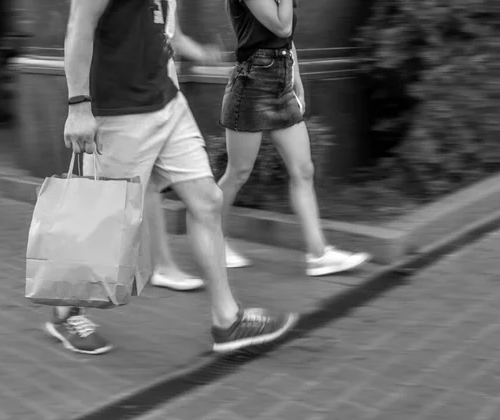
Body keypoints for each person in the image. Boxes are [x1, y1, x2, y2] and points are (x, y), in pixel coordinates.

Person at [44, 0, 298, 355]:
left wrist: (197, 50)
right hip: (120, 115)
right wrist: (78, 106)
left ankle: (228, 320)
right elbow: (79, 27)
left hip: (168, 103)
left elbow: (166, 29)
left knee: (207, 201)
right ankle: (65, 312)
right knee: (104, 224)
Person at [218, 0, 371, 274]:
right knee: (238, 172)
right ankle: (211, 239)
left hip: (281, 82)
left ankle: (318, 253)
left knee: (303, 170)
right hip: (252, 85)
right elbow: (281, 24)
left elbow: (286, 38)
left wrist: (296, 78)